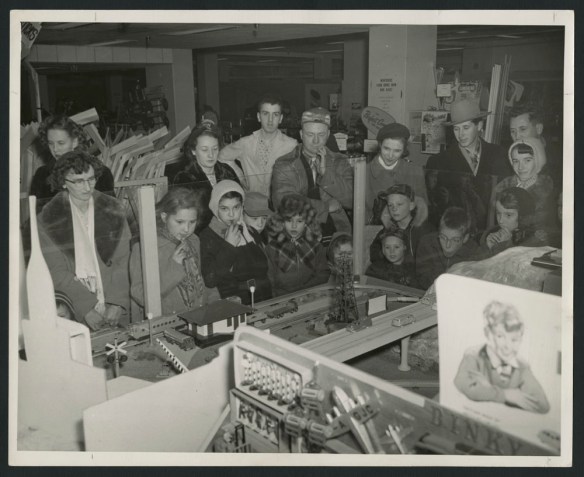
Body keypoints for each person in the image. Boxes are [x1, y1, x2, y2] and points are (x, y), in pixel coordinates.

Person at [37, 150, 131, 330]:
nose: (88, 187)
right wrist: (86, 307)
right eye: (79, 181)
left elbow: (123, 260)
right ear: (63, 183)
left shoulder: (113, 209)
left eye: (91, 179)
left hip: (114, 305)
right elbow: (56, 271)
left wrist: (117, 302)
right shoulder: (47, 218)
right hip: (73, 307)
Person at [425, 100, 512, 234]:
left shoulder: (500, 155)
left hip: (492, 233)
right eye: (456, 128)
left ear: (479, 126)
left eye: (466, 127)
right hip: (456, 236)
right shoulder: (438, 162)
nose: (460, 134)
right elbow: (435, 209)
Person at [271, 107, 353, 239]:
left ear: (327, 135)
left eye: (321, 135)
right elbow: (284, 203)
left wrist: (326, 175)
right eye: (310, 135)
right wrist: (326, 207)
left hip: (336, 234)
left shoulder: (340, 161)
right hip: (297, 235)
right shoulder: (284, 163)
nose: (316, 141)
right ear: (301, 134)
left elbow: (352, 199)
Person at [454, 301, 550, 414]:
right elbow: (465, 386)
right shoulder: (474, 356)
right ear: (488, 333)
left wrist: (487, 389)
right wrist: (506, 395)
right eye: (500, 336)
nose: (507, 346)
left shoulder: (521, 366)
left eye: (514, 340)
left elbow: (542, 405)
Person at [129, 188, 211, 316]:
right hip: (167, 321)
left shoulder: (193, 240)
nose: (186, 229)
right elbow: (141, 296)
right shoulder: (144, 248)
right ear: (164, 217)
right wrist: (174, 266)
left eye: (192, 222)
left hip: (198, 314)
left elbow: (199, 282)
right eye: (179, 222)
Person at [199, 180, 271, 305]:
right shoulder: (208, 236)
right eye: (224, 208)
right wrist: (229, 246)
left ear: (242, 206)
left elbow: (264, 268)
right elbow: (210, 280)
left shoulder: (249, 230)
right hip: (234, 303)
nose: (231, 214)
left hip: (262, 297)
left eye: (236, 207)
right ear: (215, 208)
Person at [218, 94, 297, 196]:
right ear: (259, 117)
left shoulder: (291, 145)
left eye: (275, 114)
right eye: (265, 114)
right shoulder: (245, 143)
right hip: (251, 205)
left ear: (281, 118)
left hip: (280, 206)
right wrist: (240, 177)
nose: (270, 120)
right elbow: (222, 156)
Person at [31, 115, 115, 210]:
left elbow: (111, 215)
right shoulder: (42, 175)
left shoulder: (100, 173)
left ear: (75, 142)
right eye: (50, 143)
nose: (55, 149)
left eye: (61, 143)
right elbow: (38, 216)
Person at [173, 122, 240, 231]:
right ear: (193, 151)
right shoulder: (184, 178)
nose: (211, 155)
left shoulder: (226, 171)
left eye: (215, 149)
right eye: (204, 150)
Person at [264, 194, 329, 296]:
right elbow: (270, 281)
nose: (294, 226)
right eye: (289, 220)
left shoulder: (315, 246)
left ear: (307, 221)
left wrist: (305, 292)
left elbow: (323, 274)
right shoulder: (272, 248)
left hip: (310, 297)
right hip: (282, 300)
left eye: (299, 221)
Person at [365, 123, 427, 222]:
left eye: (397, 151)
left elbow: (422, 210)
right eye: (386, 149)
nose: (390, 155)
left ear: (404, 151)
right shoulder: (363, 172)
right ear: (380, 145)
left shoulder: (415, 171)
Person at [415, 206, 487, 289]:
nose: (447, 245)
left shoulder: (475, 252)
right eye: (443, 237)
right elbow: (422, 278)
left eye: (455, 240)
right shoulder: (426, 243)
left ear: (465, 238)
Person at [493, 137, 555, 229]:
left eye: (527, 160)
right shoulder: (502, 187)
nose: (521, 167)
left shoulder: (548, 191)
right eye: (516, 161)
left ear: (538, 160)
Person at [369, 184, 431, 263]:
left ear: (411, 206)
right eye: (390, 205)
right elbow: (374, 255)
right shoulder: (387, 230)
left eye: (399, 204)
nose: (394, 209)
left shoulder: (424, 231)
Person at [509, 103, 562, 190]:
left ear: (538, 129)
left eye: (523, 129)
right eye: (513, 131)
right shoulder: (508, 157)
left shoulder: (559, 160)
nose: (517, 136)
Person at [480, 187, 546, 256]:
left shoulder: (536, 239)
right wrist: (488, 248)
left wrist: (504, 245)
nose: (501, 221)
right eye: (498, 213)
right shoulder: (490, 233)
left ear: (523, 217)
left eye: (508, 215)